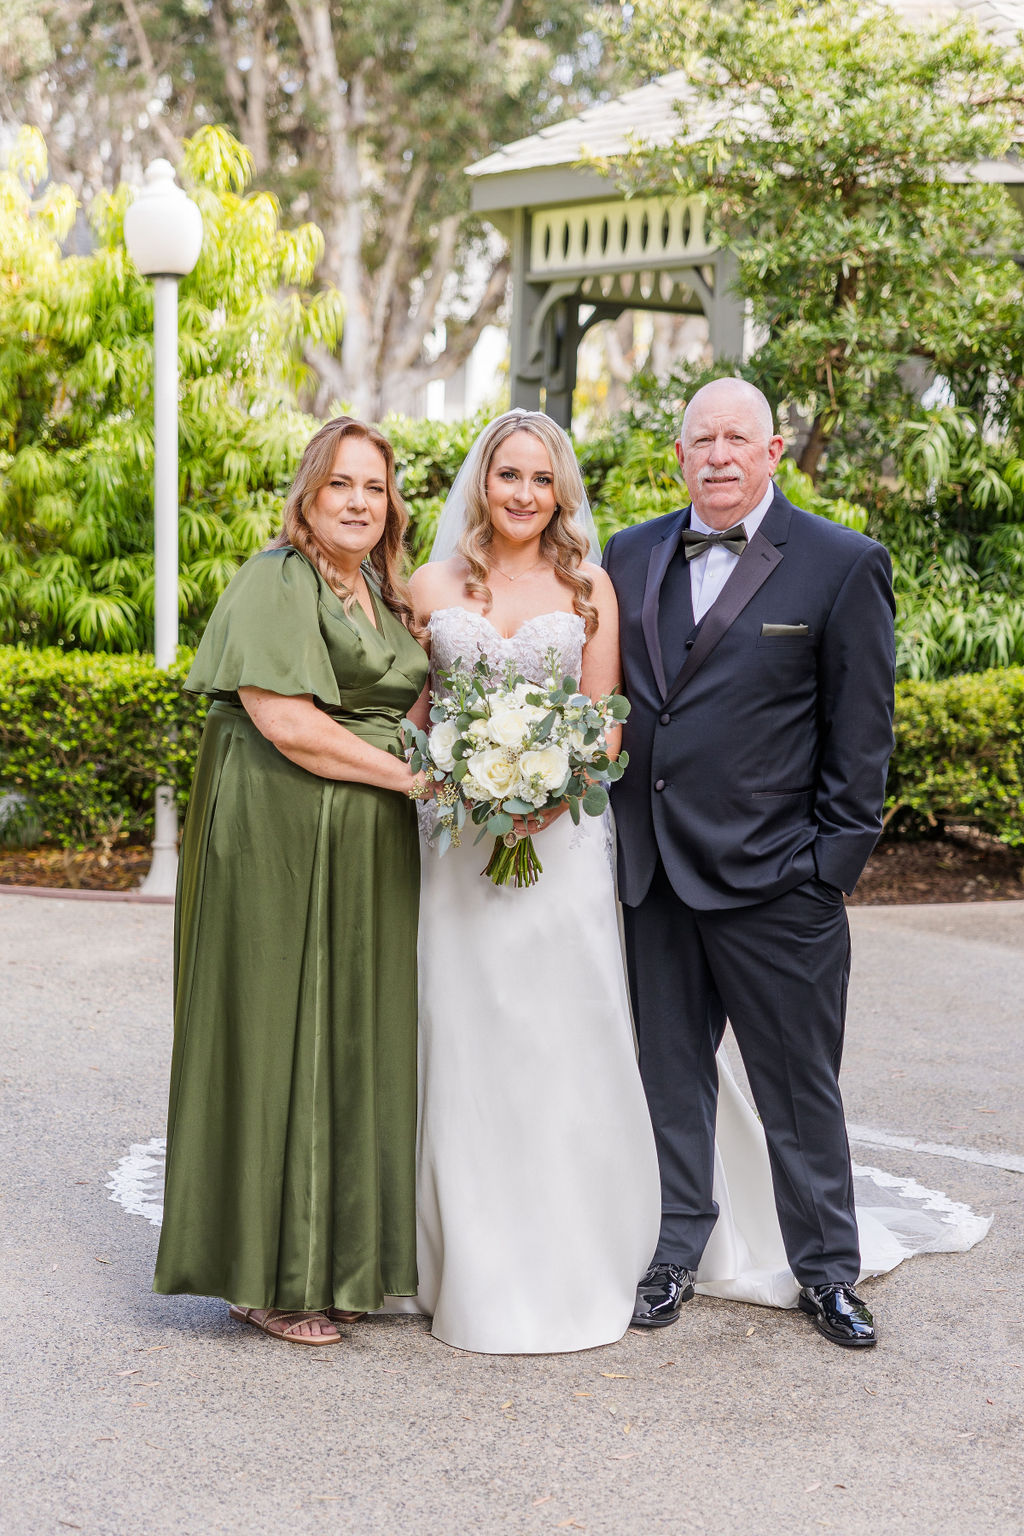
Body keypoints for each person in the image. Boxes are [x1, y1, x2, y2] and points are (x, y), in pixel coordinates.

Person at [603, 376, 897, 1348]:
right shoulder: (629, 552)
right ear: (677, 457)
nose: (719, 456)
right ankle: (676, 1250)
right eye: (701, 440)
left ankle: (825, 1275)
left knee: (797, 1090)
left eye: (738, 438)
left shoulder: (840, 565)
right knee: (671, 1078)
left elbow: (860, 736)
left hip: (780, 884)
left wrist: (830, 866)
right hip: (653, 877)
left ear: (773, 451)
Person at [153, 416, 430, 1346]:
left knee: (346, 1035)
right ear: (308, 495)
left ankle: (333, 1260)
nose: (359, 501)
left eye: (374, 487)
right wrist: (415, 779)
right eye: (341, 484)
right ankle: (259, 1275)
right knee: (277, 1031)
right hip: (279, 832)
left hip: (361, 846)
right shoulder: (279, 579)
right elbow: (287, 723)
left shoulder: (379, 594)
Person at [396, 409, 663, 1354]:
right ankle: (466, 1257)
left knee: (559, 1033)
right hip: (459, 851)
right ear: (481, 481)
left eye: (539, 481)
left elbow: (605, 719)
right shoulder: (428, 585)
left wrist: (554, 790)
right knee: (468, 1035)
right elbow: (413, 715)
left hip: (560, 850)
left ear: (559, 492)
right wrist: (453, 777)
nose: (521, 494)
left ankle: (577, 1244)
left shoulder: (588, 585)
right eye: (507, 475)